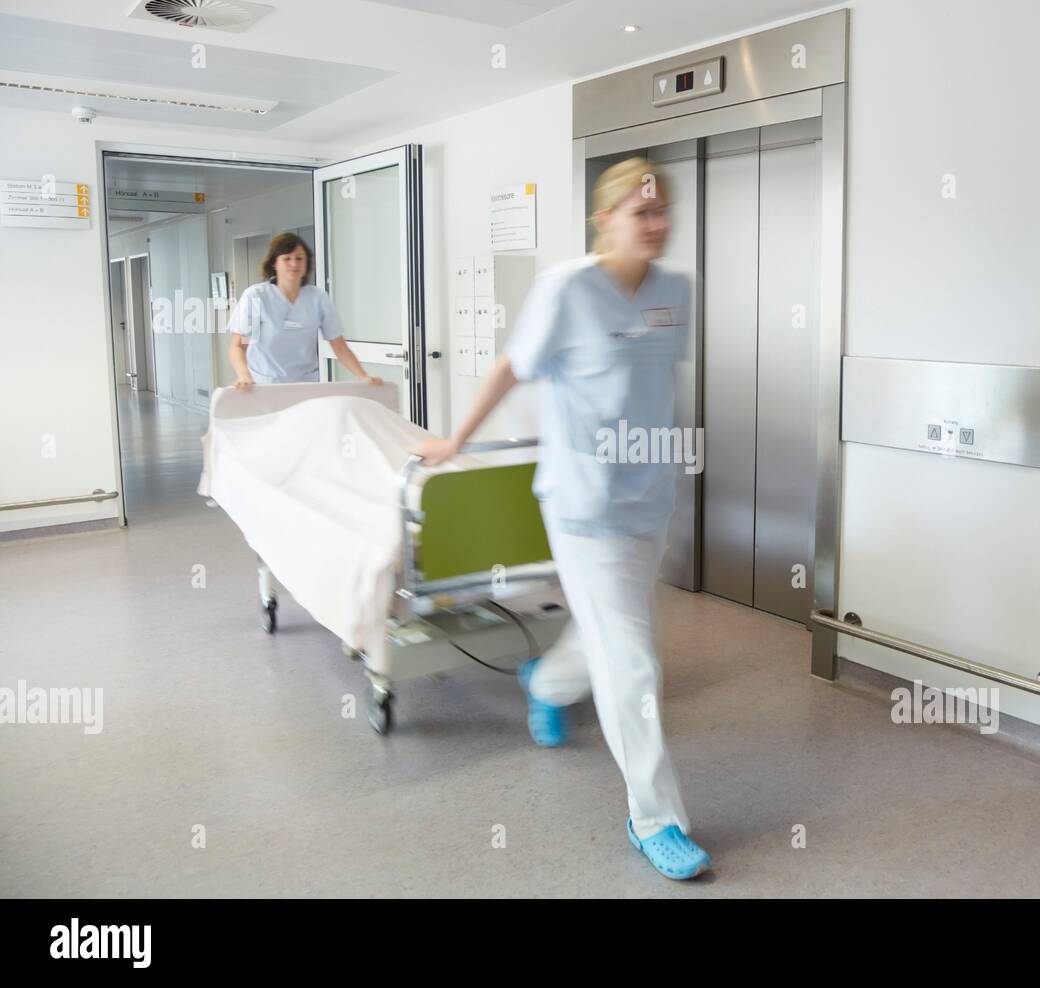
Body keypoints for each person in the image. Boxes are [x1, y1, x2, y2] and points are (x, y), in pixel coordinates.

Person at [412, 157, 709, 880]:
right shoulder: (566, 289)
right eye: (641, 211)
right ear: (604, 219)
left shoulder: (677, 290)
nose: (657, 222)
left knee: (610, 637)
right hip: (584, 506)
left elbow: (657, 385)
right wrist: (456, 439)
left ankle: (546, 683)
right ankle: (655, 819)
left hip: (651, 499)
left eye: (662, 208)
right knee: (634, 663)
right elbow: (512, 367)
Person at [227, 232, 381, 388]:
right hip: (265, 386)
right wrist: (244, 377)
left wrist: (363, 376)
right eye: (287, 258)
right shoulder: (256, 297)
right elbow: (239, 346)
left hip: (306, 387)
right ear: (274, 263)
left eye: (299, 258)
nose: (294, 264)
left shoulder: (317, 298)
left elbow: (339, 345)